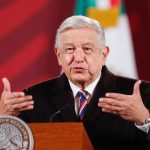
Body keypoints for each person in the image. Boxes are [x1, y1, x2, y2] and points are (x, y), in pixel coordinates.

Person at [0, 15, 150, 150]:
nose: (78, 57)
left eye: (87, 49)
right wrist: (3, 118)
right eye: (70, 49)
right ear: (58, 55)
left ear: (104, 54)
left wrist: (144, 120)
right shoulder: (33, 98)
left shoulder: (141, 94)